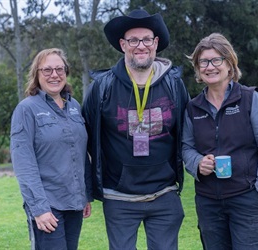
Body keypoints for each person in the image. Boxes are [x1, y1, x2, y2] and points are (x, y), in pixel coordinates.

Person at [82, 9, 189, 250]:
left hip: (164, 195)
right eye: (133, 40)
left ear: (156, 43)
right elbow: (84, 139)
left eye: (146, 39)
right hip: (119, 198)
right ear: (122, 44)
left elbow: (189, 133)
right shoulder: (102, 88)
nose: (140, 46)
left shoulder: (174, 84)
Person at [182, 33, 258, 250]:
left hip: (247, 199)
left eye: (216, 60)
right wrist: (198, 163)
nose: (210, 66)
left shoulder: (250, 99)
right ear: (198, 68)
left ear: (229, 64)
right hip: (208, 204)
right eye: (203, 62)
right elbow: (186, 147)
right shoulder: (192, 107)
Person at [10, 48, 92, 250]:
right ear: (36, 75)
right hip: (48, 205)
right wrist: (39, 209)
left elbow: (81, 155)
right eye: (47, 70)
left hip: (74, 203)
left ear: (66, 72)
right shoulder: (26, 109)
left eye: (59, 69)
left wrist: (85, 195)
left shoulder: (74, 107)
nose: (54, 75)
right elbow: (24, 163)